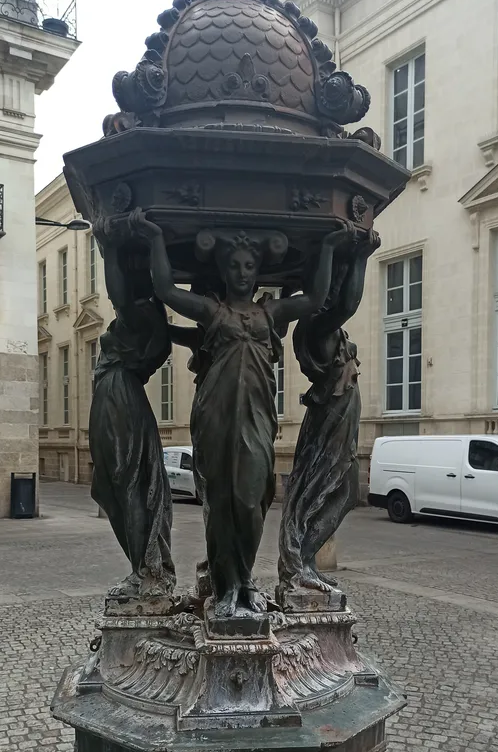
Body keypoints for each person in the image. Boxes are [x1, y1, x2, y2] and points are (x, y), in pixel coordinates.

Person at [130, 209, 348, 617]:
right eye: (234, 265)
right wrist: (155, 236)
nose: (243, 272)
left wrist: (332, 247)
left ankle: (244, 577)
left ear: (258, 268)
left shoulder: (270, 313)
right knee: (220, 497)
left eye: (249, 265)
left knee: (252, 496)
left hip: (258, 417)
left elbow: (315, 299)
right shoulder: (213, 313)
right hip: (216, 416)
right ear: (224, 269)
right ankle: (227, 584)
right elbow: (164, 288)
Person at [278, 231, 379, 595]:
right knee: (328, 489)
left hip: (340, 422)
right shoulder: (316, 326)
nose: (337, 289)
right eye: (331, 282)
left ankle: (303, 561)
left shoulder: (325, 327)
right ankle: (300, 563)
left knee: (344, 490)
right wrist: (361, 256)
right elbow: (347, 304)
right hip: (332, 423)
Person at [89, 227, 176, 598]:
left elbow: (118, 296)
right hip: (121, 395)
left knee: (128, 486)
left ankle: (146, 569)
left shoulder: (141, 312)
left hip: (118, 396)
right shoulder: (152, 317)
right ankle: (145, 566)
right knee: (128, 485)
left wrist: (108, 249)